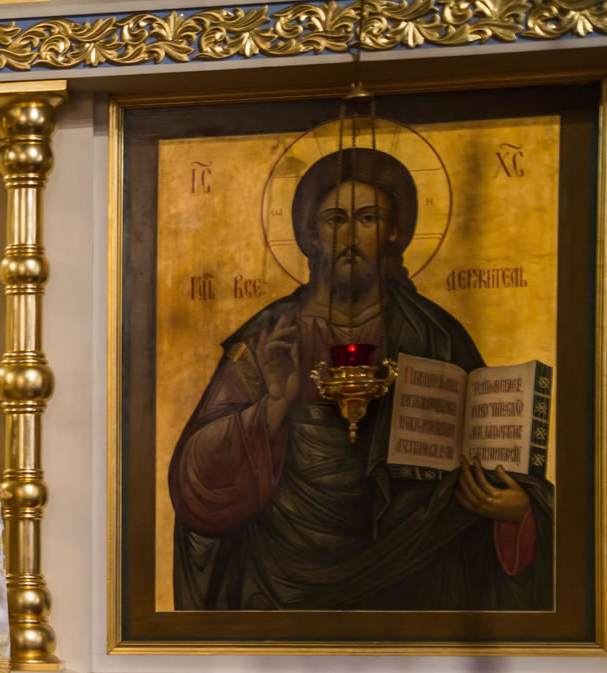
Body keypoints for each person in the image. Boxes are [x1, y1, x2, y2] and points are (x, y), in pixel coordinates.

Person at [167, 147, 554, 612]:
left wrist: (519, 513)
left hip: (415, 580)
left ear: (393, 232)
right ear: (311, 235)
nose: (350, 236)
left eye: (368, 218)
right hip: (277, 589)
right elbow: (196, 484)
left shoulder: (435, 337)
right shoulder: (272, 338)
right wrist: (272, 407)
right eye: (335, 219)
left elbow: (490, 461)